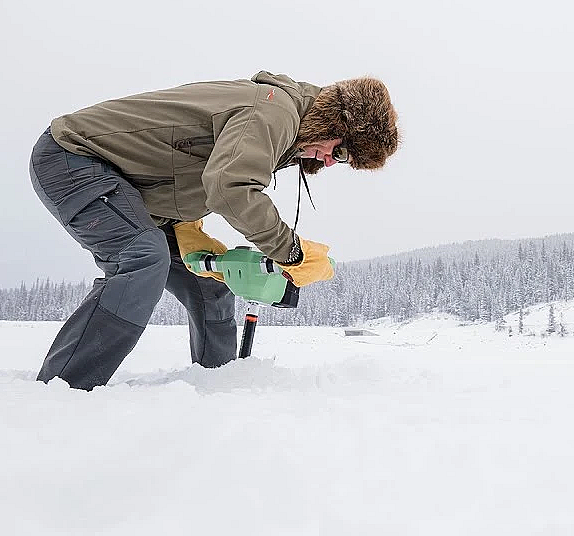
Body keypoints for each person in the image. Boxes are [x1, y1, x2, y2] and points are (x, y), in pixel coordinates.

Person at [29, 71, 398, 390]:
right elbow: (229, 186)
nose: (333, 162)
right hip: (73, 157)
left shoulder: (288, 131)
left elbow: (188, 170)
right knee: (142, 257)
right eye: (344, 153)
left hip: (135, 193)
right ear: (336, 123)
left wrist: (187, 228)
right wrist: (292, 251)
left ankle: (218, 388)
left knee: (211, 277)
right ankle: (64, 390)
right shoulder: (275, 111)